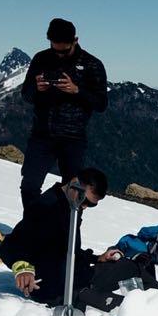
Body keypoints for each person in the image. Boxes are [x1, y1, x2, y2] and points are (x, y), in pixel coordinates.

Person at [0, 168, 158, 312]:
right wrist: (23, 267)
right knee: (133, 309)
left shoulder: (73, 206)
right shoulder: (44, 207)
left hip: (79, 277)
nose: (85, 206)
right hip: (59, 291)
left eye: (91, 205)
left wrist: (97, 258)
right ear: (74, 183)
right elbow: (10, 246)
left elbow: (69, 251)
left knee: (134, 267)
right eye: (85, 200)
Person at [18, 17, 108, 210]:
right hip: (42, 135)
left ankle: (68, 236)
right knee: (29, 186)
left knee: (75, 193)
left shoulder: (92, 65)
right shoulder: (41, 59)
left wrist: (77, 91)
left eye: (64, 50)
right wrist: (37, 88)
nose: (59, 55)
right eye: (54, 49)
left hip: (73, 139)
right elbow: (26, 94)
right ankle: (31, 230)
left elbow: (101, 103)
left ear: (75, 40)